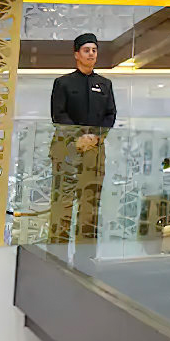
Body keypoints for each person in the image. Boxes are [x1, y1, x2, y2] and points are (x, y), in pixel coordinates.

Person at [49, 32, 117, 246]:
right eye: (86, 50)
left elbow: (110, 115)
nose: (91, 54)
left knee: (91, 202)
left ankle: (86, 256)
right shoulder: (63, 83)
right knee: (64, 201)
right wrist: (79, 137)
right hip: (67, 149)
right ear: (77, 54)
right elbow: (58, 114)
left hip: (95, 151)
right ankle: (57, 252)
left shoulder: (104, 84)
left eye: (94, 50)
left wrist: (95, 138)